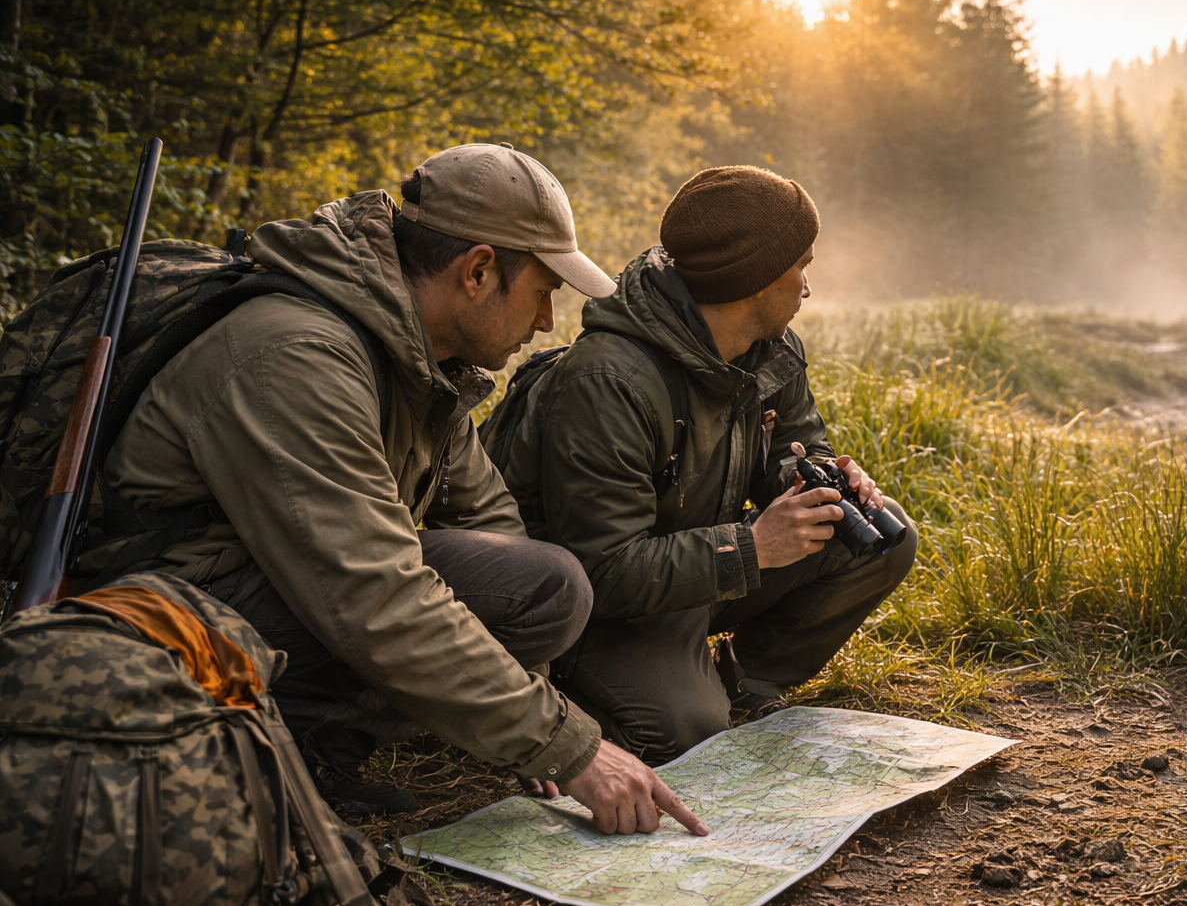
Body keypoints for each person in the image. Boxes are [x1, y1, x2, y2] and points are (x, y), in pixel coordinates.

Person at [81, 143, 706, 836]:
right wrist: (571, 747)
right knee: (487, 592)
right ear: (477, 271)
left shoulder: (413, 355)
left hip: (268, 589)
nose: (547, 323)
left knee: (549, 588)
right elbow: (374, 594)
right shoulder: (297, 355)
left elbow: (493, 522)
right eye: (543, 292)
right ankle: (270, 748)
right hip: (158, 619)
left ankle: (317, 741)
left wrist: (529, 711)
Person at [497, 165, 918, 766]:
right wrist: (752, 548)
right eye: (801, 266)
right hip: (597, 609)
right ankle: (574, 692)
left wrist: (824, 482)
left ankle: (746, 677)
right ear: (754, 280)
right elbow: (601, 569)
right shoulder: (609, 381)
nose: (806, 288)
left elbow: (794, 447)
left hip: (695, 570)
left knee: (883, 534)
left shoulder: (771, 349)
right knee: (685, 738)